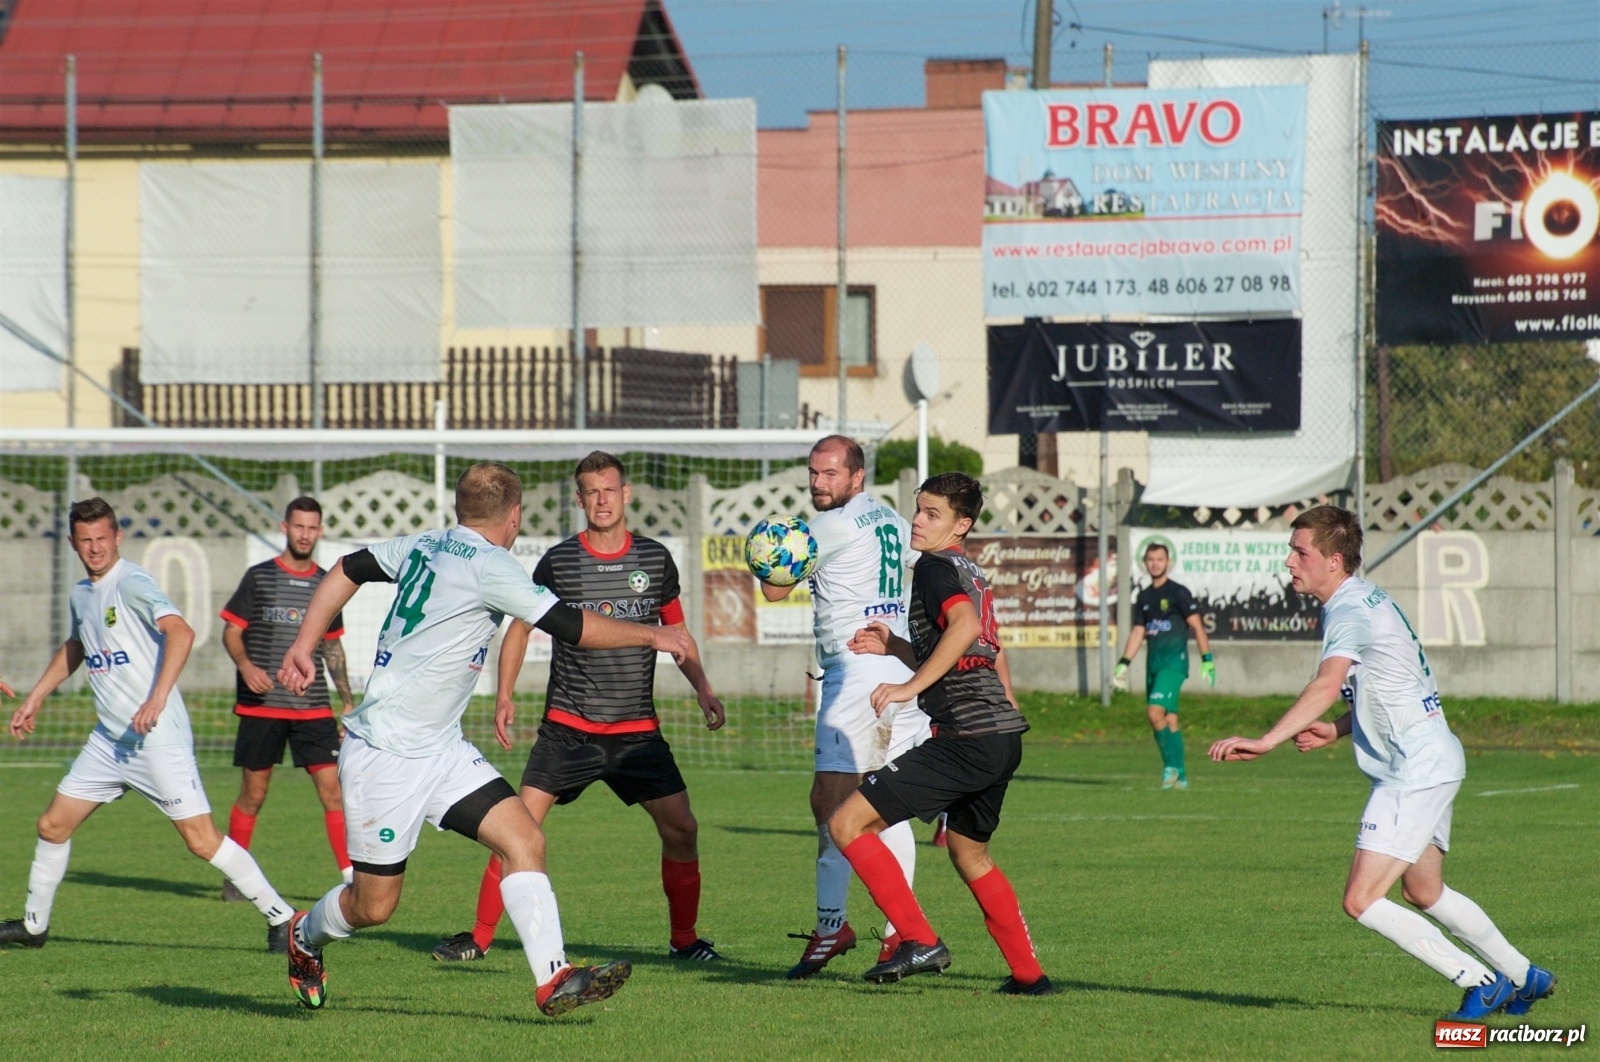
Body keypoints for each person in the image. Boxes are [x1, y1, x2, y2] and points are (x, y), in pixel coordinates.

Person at [276, 462, 690, 1017]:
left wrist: (305, 641)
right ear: (514, 515)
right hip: (386, 756)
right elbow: (574, 627)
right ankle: (306, 935)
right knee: (373, 908)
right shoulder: (493, 566)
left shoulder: (426, 543)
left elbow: (346, 567)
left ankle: (553, 979)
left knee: (525, 840)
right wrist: (655, 633)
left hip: (442, 750)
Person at [1208, 505, 1556, 1021]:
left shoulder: (1349, 609)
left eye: (1300, 551)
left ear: (1333, 560)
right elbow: (1391, 684)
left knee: (1362, 899)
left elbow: (1327, 683)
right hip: (1434, 755)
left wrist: (1266, 740)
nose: (1289, 561)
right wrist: (1340, 728)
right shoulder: (1366, 599)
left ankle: (1481, 981)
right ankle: (1525, 976)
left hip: (1413, 770)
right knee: (1424, 890)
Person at [430, 451, 726, 964]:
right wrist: (504, 694)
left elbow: (676, 634)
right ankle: (477, 939)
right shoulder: (560, 562)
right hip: (569, 730)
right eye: (591, 492)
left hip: (637, 734)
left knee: (683, 829)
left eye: (609, 489)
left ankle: (684, 941)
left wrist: (702, 687)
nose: (602, 500)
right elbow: (520, 627)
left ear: (626, 493)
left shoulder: (655, 559)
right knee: (515, 829)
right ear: (579, 498)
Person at [2, 498, 295, 952]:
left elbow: (182, 631)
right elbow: (78, 645)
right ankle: (34, 927)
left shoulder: (132, 582)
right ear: (72, 543)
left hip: (155, 739)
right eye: (86, 541)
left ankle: (282, 918)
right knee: (52, 826)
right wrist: (35, 698)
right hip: (108, 741)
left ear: (118, 537)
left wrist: (157, 698)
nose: (95, 548)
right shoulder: (83, 592)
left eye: (103, 538)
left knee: (200, 840)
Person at [831, 472, 1049, 993]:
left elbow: (967, 630)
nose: (918, 520)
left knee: (847, 824)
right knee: (970, 854)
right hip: (999, 736)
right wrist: (898, 648)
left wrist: (906, 687)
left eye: (933, 514)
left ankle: (917, 938)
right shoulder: (969, 570)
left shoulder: (933, 567)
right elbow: (974, 651)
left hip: (966, 737)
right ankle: (1029, 976)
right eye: (918, 509)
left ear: (962, 524)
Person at [758, 435, 930, 979]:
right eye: (813, 473)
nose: (818, 484)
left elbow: (774, 591)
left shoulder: (828, 527)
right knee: (886, 805)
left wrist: (765, 548)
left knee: (831, 809)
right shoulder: (889, 519)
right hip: (898, 670)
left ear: (857, 477)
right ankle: (898, 935)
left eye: (831, 474)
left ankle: (833, 927)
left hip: (858, 676)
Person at [220, 497, 355, 924]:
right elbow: (231, 632)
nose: (305, 535)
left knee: (333, 791)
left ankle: (352, 878)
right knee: (253, 794)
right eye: (298, 526)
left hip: (312, 707)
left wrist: (347, 700)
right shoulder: (259, 578)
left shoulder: (326, 582)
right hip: (262, 706)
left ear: (319, 531)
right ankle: (235, 874)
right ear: (285, 527)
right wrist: (246, 666)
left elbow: (332, 646)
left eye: (312, 528)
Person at [1112, 540, 1215, 789]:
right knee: (1169, 719)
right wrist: (1124, 662)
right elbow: (1139, 632)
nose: (1155, 564)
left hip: (1174, 664)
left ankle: (1169, 767)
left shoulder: (1178, 593)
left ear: (1167, 562)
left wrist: (1207, 660)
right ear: (1145, 563)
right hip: (1153, 665)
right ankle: (1180, 776)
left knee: (1153, 711)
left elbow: (1197, 626)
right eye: (1151, 559)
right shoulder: (1145, 596)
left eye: (1160, 559)